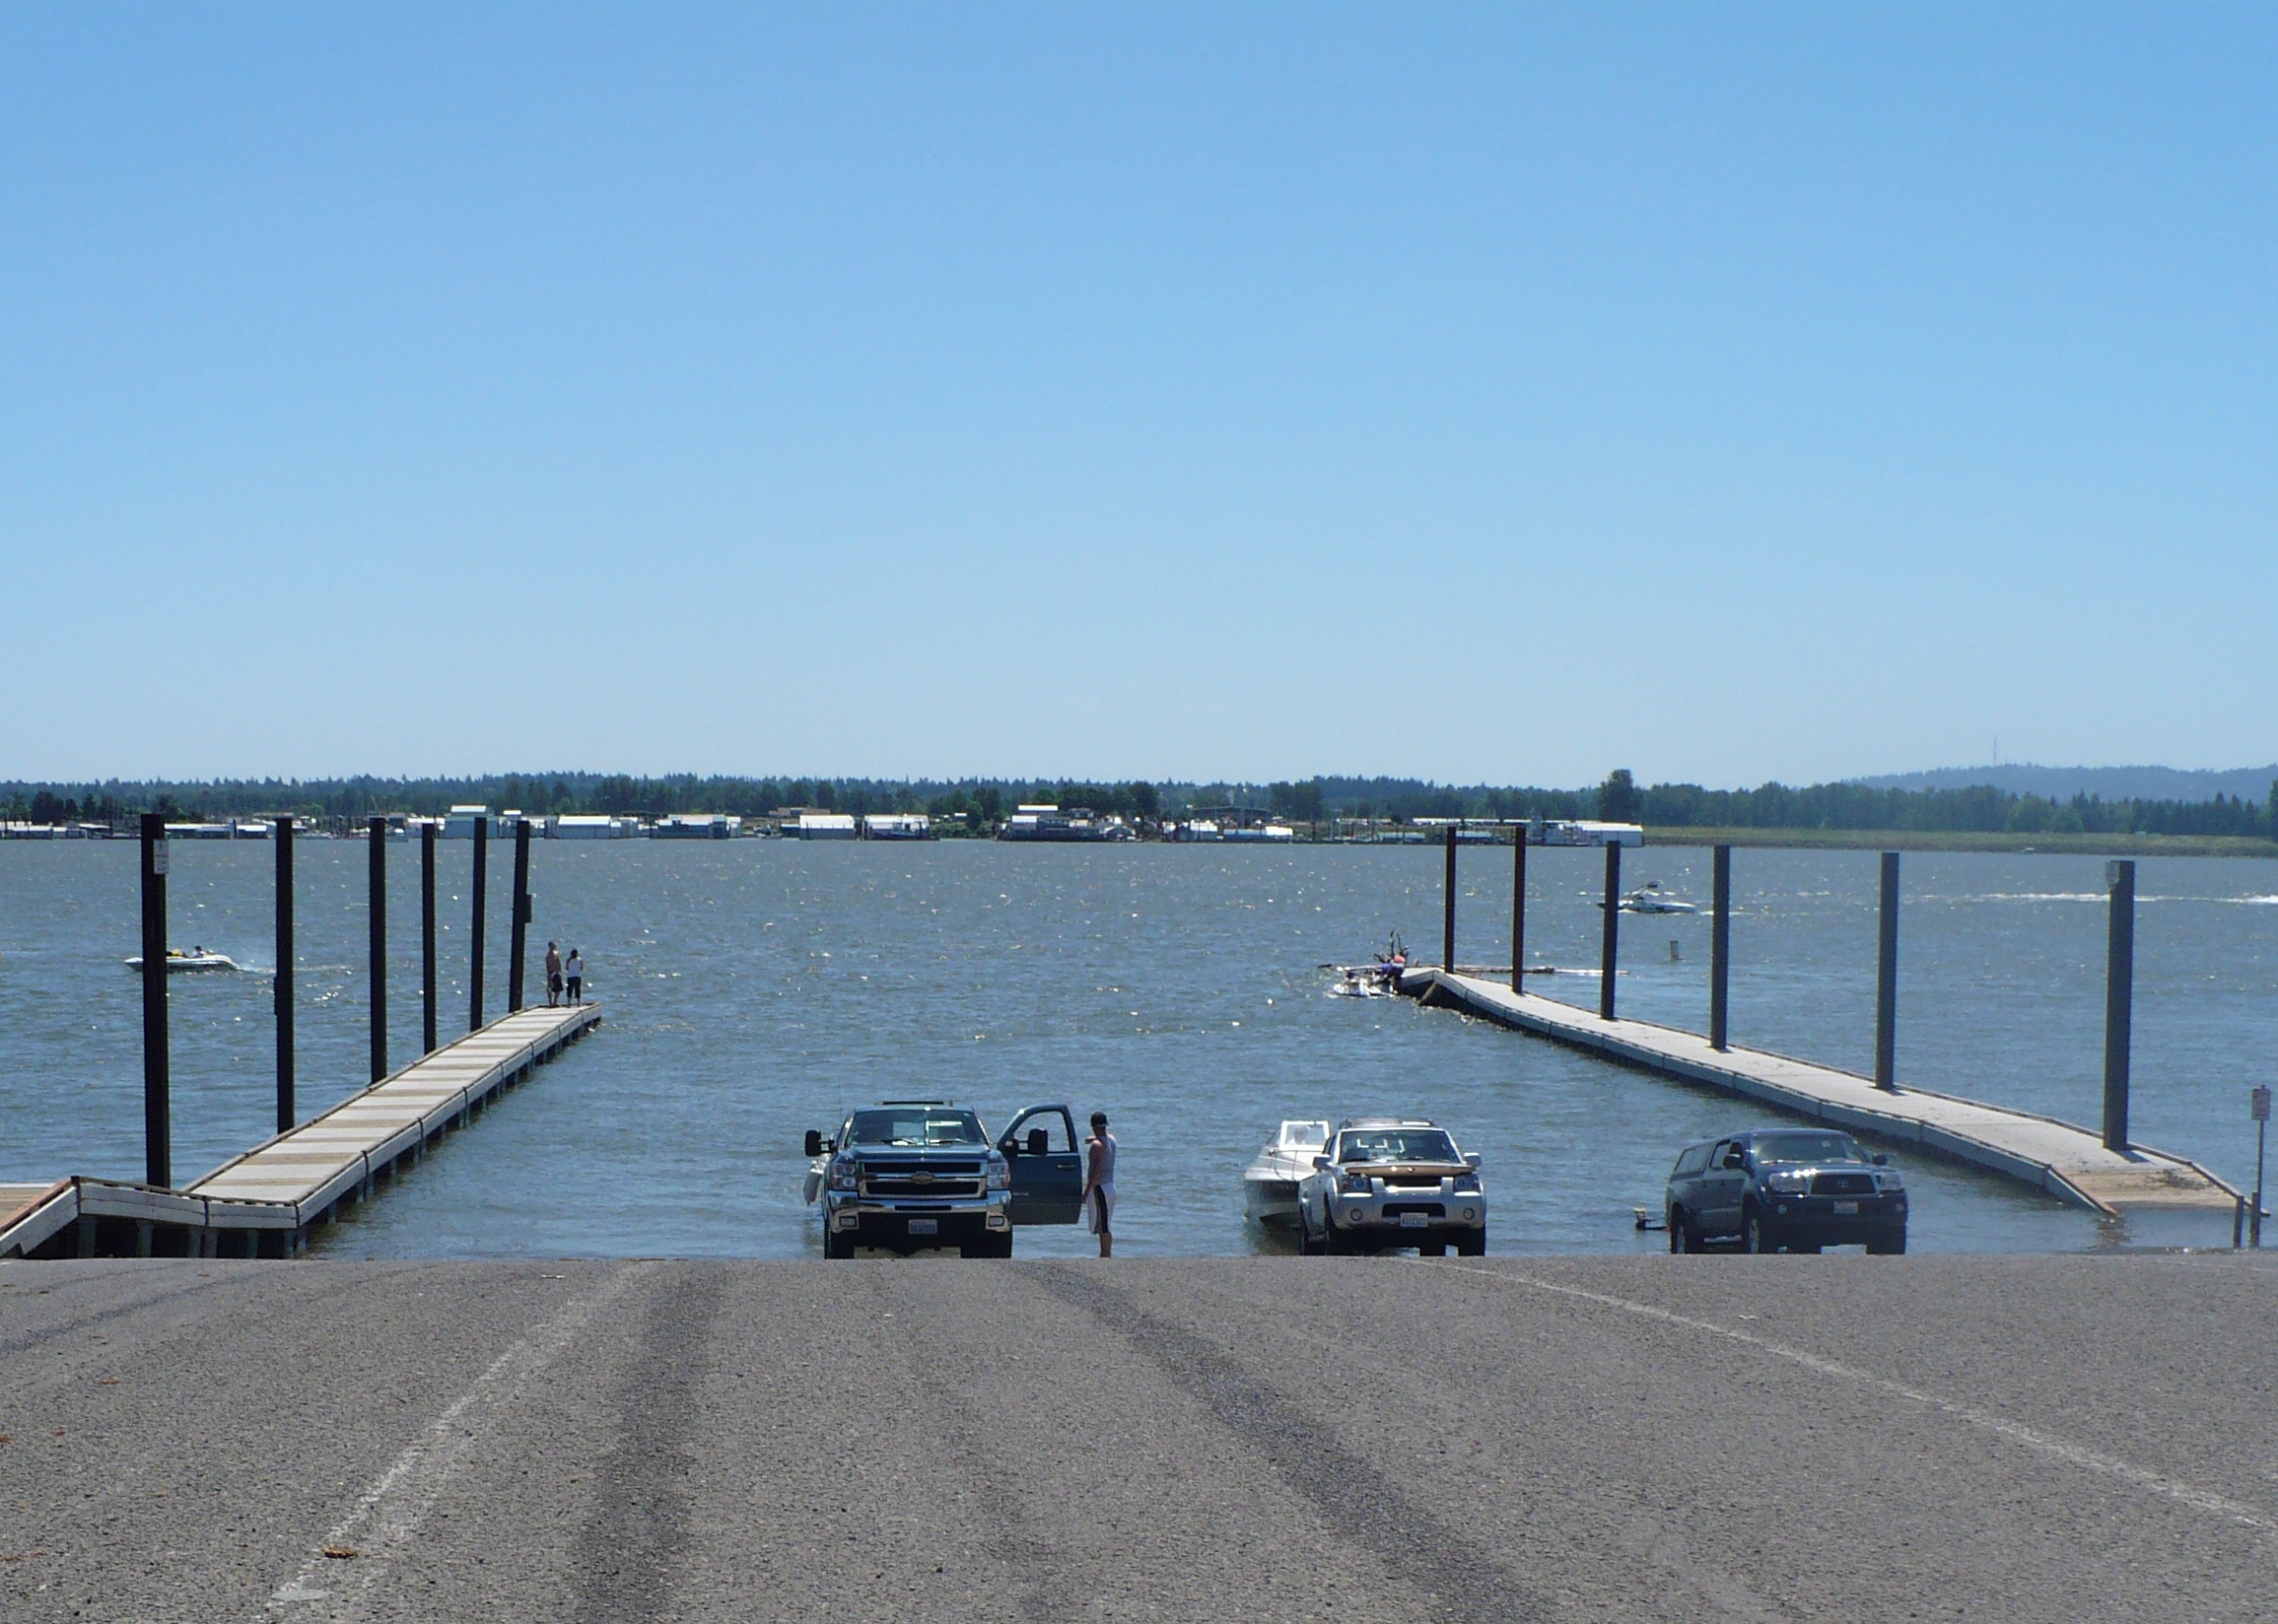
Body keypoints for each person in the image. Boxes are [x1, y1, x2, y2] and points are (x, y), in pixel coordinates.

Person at [1082, 1111, 1117, 1257]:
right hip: (1110, 1186)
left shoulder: (1096, 1147)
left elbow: (1096, 1171)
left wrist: (1086, 1193)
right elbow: (1104, 1137)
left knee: (1103, 1226)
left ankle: (1105, 1254)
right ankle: (1105, 1253)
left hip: (1100, 1187)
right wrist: (1093, 1138)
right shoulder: (1112, 1140)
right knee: (1105, 1222)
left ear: (1092, 1126)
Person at [544, 941, 563, 1008]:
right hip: (553, 972)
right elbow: (557, 963)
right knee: (553, 988)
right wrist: (559, 971)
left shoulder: (549, 955)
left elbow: (556, 963)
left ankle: (553, 1002)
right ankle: (553, 1002)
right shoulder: (552, 954)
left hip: (553, 972)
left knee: (554, 988)